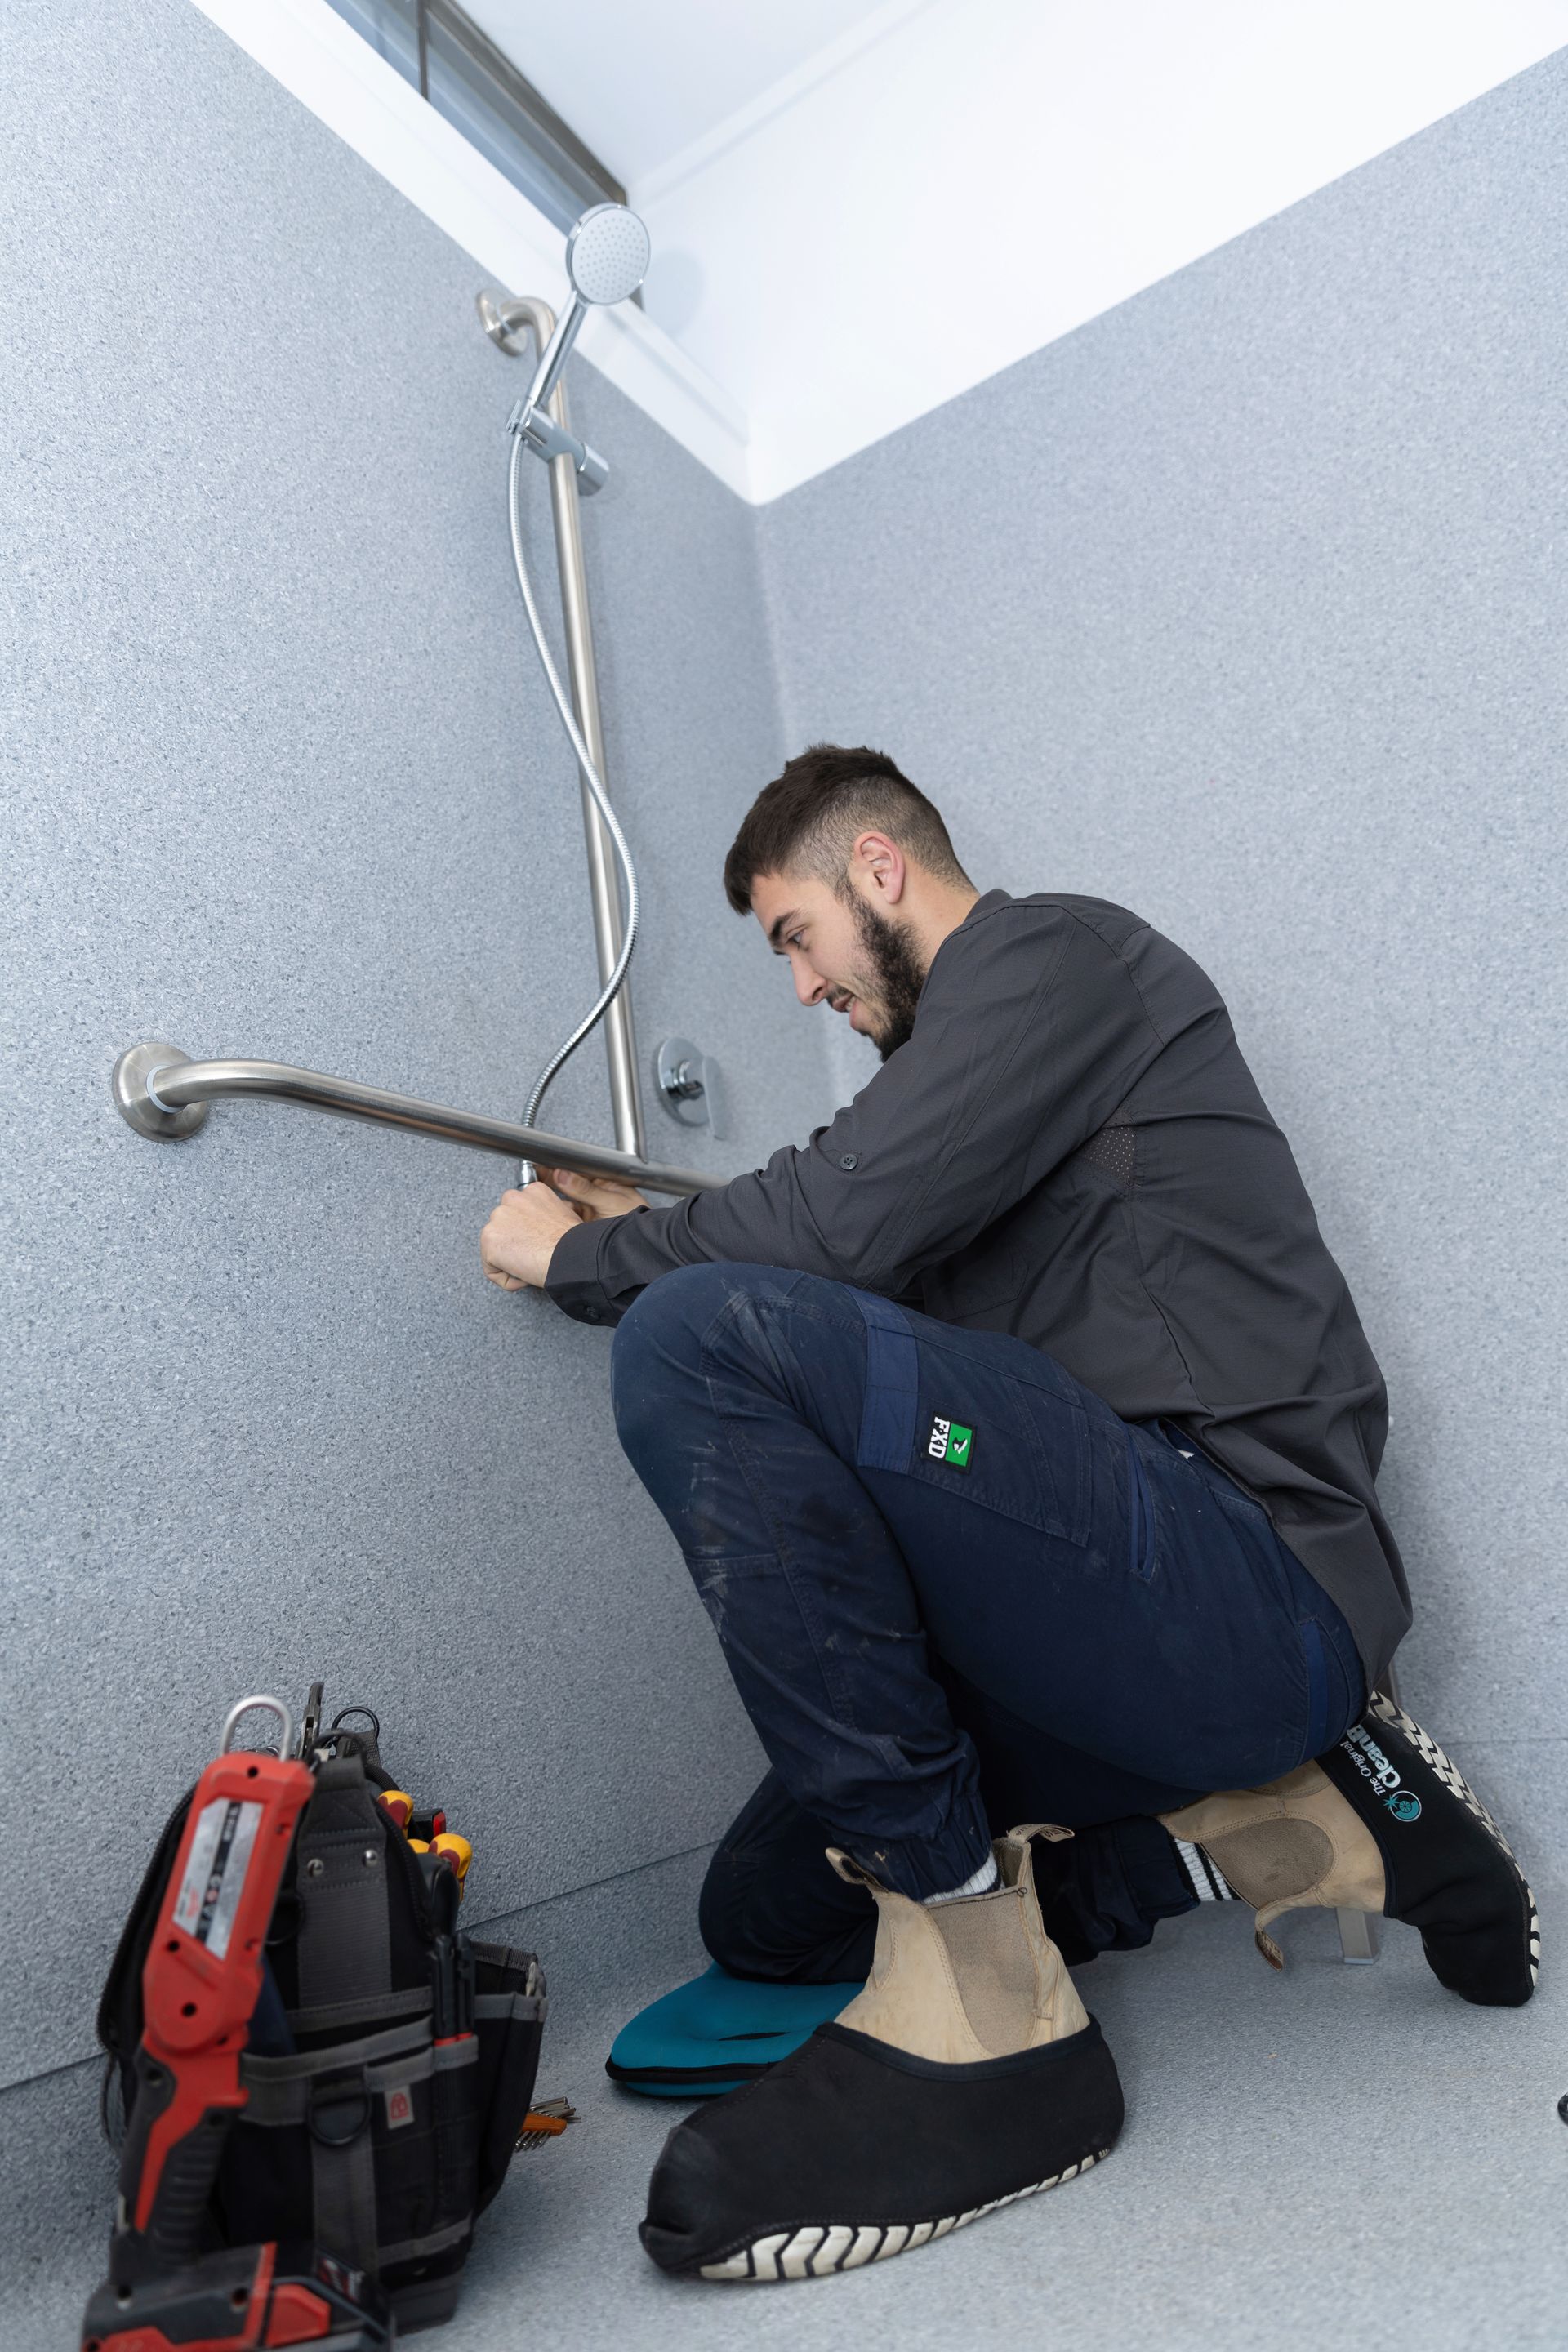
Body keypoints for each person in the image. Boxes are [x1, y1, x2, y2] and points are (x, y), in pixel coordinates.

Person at [479, 744, 1537, 2284]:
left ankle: (993, 2002)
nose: (799, 989)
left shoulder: (1059, 961)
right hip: (1104, 1629)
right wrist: (644, 1228)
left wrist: (580, 1263)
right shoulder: (958, 1115)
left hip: (1247, 1574)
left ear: (880, 871)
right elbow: (841, 1282)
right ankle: (1285, 1825)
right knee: (765, 1910)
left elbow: (826, 1233)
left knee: (688, 1335)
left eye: (793, 935)